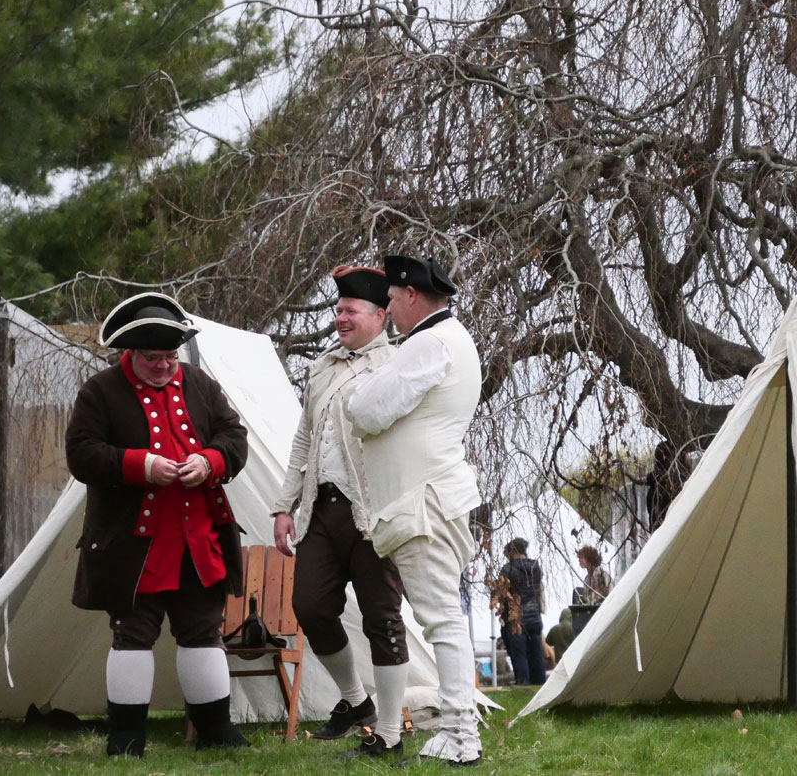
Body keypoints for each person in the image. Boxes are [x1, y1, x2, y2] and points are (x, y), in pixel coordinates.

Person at [65, 293, 249, 756]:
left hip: (198, 536)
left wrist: (209, 462)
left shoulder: (201, 384)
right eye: (154, 358)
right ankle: (126, 736)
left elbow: (234, 436)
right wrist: (140, 466)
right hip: (133, 544)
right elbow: (81, 453)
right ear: (131, 353)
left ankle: (214, 729)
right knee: (133, 633)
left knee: (203, 630)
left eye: (171, 356)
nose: (166, 366)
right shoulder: (100, 391)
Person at [344, 254, 484, 766]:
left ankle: (461, 736)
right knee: (445, 618)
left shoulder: (428, 342)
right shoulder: (452, 339)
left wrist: (359, 393)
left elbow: (366, 410)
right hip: (432, 496)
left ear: (409, 295)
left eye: (392, 302)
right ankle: (459, 732)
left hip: (422, 501)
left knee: (442, 621)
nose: (390, 313)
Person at [271, 266, 410, 745]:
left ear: (378, 315)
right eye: (337, 310)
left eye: (349, 311)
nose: (339, 319)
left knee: (382, 618)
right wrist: (284, 505)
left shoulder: (397, 364)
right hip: (321, 510)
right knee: (309, 606)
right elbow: (305, 438)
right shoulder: (322, 366)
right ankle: (356, 701)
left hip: (373, 512)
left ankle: (390, 731)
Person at [497, 538, 547, 685]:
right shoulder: (535, 568)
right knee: (537, 652)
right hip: (535, 617)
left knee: (519, 654)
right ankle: (539, 683)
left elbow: (501, 593)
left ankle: (523, 682)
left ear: (513, 551)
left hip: (516, 619)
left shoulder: (508, 569)